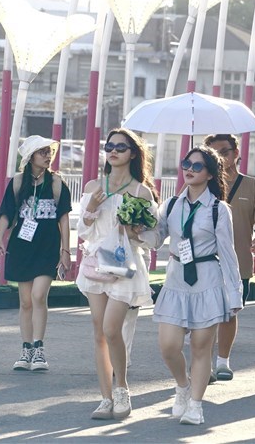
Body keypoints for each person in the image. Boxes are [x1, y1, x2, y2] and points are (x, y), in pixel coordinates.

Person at [145, 146, 242, 425]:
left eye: (197, 166)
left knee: (201, 347)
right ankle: (183, 385)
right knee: (168, 346)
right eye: (186, 164)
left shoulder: (218, 209)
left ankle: (196, 406)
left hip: (207, 279)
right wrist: (137, 228)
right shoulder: (172, 205)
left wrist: (235, 294)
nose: (189, 169)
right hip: (176, 278)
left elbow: (228, 252)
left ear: (210, 174)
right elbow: (156, 239)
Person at [77, 128, 159, 420]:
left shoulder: (141, 192)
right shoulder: (92, 186)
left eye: (120, 147)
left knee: (113, 330)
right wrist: (92, 207)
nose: (113, 151)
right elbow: (84, 232)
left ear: (133, 154)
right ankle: (105, 397)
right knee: (99, 333)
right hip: (96, 264)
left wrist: (134, 231)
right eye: (109, 146)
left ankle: (122, 389)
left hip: (125, 267)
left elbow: (152, 239)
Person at [0, 136, 72, 372]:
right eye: (42, 152)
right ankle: (26, 349)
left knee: (39, 296)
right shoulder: (18, 182)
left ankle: (39, 349)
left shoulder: (57, 183)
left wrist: (66, 250)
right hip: (21, 246)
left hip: (47, 246)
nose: (48, 156)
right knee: (25, 301)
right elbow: (6, 213)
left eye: (49, 152)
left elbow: (65, 218)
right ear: (30, 157)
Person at [203, 134, 255, 381]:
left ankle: (222, 361)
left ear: (236, 153)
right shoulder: (200, 182)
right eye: (214, 152)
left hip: (237, 263)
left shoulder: (252, 185)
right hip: (203, 262)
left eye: (225, 151)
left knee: (229, 312)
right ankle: (204, 363)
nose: (221, 157)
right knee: (205, 315)